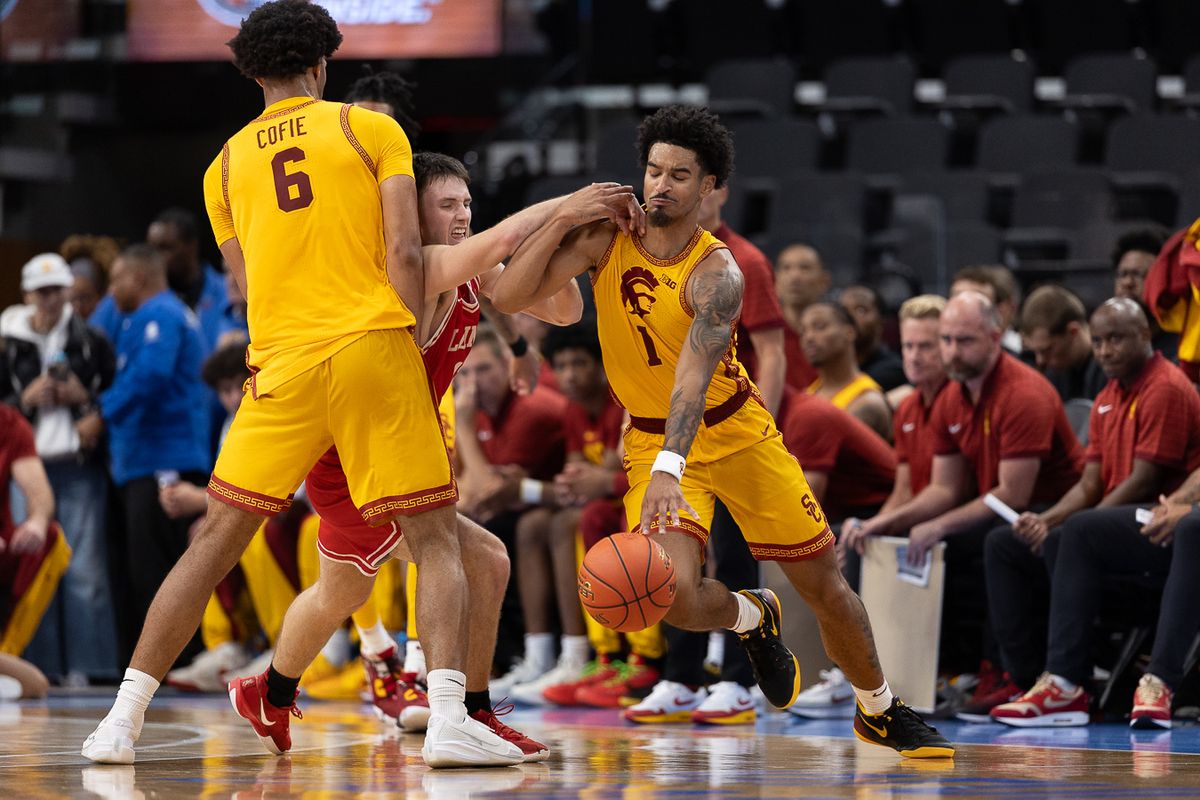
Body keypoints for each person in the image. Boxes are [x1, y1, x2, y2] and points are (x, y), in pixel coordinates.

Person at [490, 104, 953, 758]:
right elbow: (508, 295)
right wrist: (566, 212)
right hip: (651, 436)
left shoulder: (719, 273)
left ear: (709, 189)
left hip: (735, 432)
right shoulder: (604, 236)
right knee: (668, 596)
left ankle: (878, 707)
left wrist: (669, 473)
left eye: (680, 175)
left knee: (824, 583)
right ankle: (750, 616)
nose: (661, 186)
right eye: (653, 170)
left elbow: (692, 379)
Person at [81, 0, 464, 768]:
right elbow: (404, 251)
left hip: (280, 363)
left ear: (250, 73)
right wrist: (412, 332)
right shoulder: (370, 129)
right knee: (435, 538)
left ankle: (119, 722)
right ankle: (448, 717)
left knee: (213, 544)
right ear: (322, 66)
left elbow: (246, 284)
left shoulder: (220, 167)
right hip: (369, 348)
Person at [987, 299, 1200, 727]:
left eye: (1115, 339)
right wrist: (1047, 521)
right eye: (1099, 341)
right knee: (1005, 543)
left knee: (1080, 534)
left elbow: (1142, 480)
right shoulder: (1107, 396)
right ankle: (1035, 680)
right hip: (1136, 526)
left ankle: (1069, 682)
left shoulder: (1165, 388)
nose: (1103, 351)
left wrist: (1082, 529)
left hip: (1157, 524)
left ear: (1145, 337)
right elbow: (1089, 483)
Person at [0, 253, 117, 683]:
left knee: (86, 569)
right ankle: (40, 667)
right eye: (42, 291)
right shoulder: (7, 341)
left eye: (57, 290)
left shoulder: (92, 339)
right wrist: (24, 401)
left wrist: (85, 403)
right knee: (35, 564)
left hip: (78, 463)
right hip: (25, 467)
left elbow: (113, 397)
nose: (51, 299)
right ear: (27, 294)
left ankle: (90, 667)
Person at [99, 244, 211, 649]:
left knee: (159, 571)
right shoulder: (148, 317)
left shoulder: (160, 314)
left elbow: (151, 376)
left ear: (139, 278)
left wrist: (101, 413)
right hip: (148, 461)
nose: (112, 291)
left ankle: (172, 662)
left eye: (117, 280)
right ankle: (167, 662)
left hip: (164, 461)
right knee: (150, 567)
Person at [0, 405, 71, 667]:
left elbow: (38, 491)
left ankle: (6, 654)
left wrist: (37, 522)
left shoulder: (8, 422)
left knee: (51, 538)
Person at [799, 301, 892, 440]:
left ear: (849, 332)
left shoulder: (867, 402)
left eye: (819, 327)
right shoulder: (807, 394)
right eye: (803, 331)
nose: (809, 337)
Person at [1018, 285, 1106, 402]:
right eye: (1036, 352)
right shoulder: (1055, 374)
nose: (1040, 360)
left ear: (1072, 332)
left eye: (1047, 350)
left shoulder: (1110, 370)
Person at [774, 242, 825, 390]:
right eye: (786, 268)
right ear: (775, 280)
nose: (795, 276)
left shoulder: (834, 336)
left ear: (824, 281)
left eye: (805, 268)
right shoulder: (764, 333)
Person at [839, 285, 906, 391]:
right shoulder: (833, 367)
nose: (850, 317)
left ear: (881, 321)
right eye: (844, 311)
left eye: (861, 310)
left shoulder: (892, 370)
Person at [951, 265, 1023, 356]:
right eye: (959, 303)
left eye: (978, 305)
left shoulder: (1019, 355)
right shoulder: (935, 357)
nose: (965, 313)